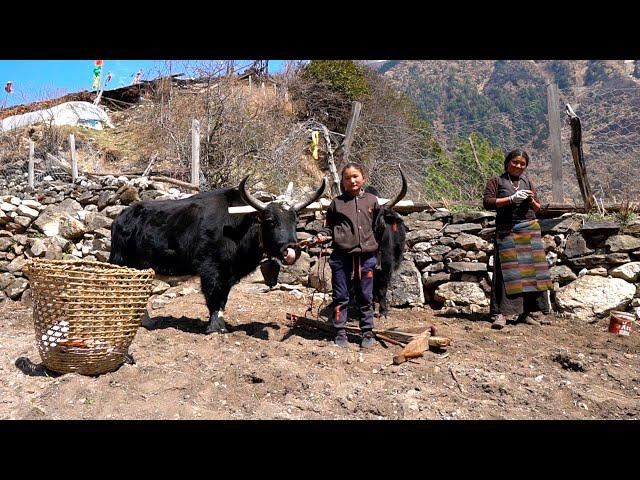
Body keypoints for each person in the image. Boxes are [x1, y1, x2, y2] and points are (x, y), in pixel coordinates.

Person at [482, 148, 553, 330]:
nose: (518, 166)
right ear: (507, 162)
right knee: (507, 273)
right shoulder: (497, 181)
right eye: (515, 162)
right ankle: (501, 314)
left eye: (522, 163)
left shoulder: (527, 181)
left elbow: (537, 208)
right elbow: (488, 202)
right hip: (507, 230)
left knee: (531, 272)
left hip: (529, 229)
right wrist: (511, 198)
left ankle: (526, 313)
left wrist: (529, 200)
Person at [316, 162, 381, 348]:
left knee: (366, 297)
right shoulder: (337, 203)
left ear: (364, 179)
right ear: (342, 182)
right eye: (347, 178)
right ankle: (340, 332)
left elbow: (378, 226)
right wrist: (323, 235)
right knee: (340, 296)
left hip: (366, 258)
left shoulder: (372, 201)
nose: (352, 180)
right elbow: (329, 227)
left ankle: (367, 333)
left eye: (355, 176)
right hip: (341, 257)